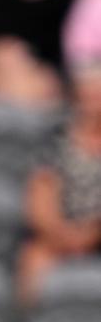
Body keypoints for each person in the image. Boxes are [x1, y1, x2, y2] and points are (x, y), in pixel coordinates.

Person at [17, 64, 101, 304]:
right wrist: (63, 235)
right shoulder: (55, 138)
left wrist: (91, 233)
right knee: (34, 258)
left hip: (97, 231)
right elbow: (41, 191)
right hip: (56, 232)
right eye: (88, 94)